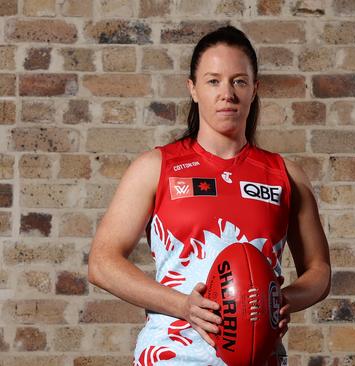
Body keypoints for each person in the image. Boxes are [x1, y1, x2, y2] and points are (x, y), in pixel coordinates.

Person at [88, 26, 331, 365]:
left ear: (254, 89)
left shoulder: (284, 174)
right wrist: (182, 306)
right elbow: (102, 263)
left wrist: (279, 300)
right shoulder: (156, 167)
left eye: (239, 81)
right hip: (173, 354)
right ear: (193, 89)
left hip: (259, 356)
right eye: (213, 81)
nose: (226, 93)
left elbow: (318, 270)